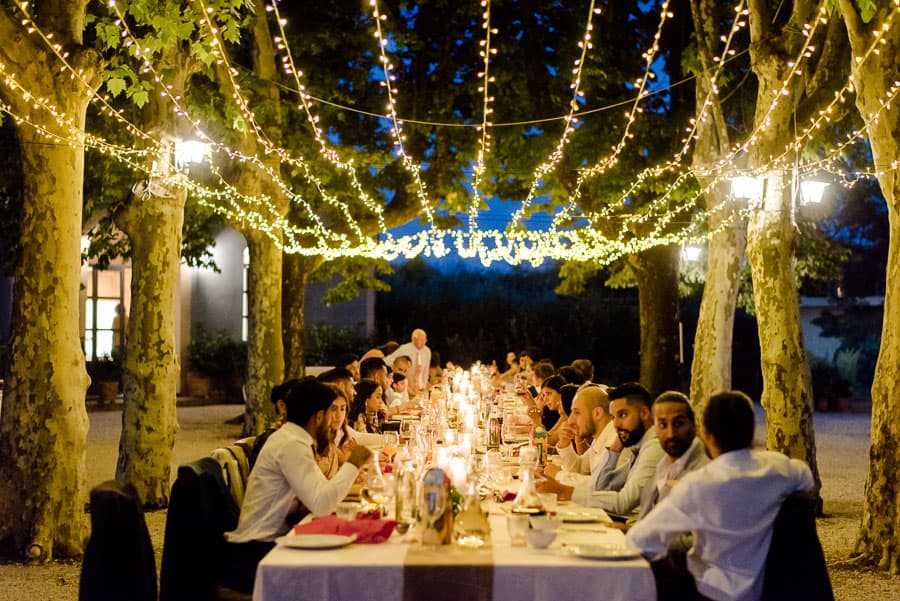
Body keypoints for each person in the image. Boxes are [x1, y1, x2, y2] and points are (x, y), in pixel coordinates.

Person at [627, 391, 814, 601]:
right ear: (752, 431)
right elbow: (806, 479)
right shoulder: (779, 468)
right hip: (766, 589)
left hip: (709, 591)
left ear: (705, 434)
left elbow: (639, 539)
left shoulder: (698, 485)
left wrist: (666, 567)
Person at [224, 377, 372, 593]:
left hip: (272, 541)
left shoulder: (294, 440)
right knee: (350, 569)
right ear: (319, 416)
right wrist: (353, 463)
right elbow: (321, 504)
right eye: (331, 413)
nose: (334, 422)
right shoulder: (291, 445)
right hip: (258, 551)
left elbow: (321, 495)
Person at [538, 381, 663, 518]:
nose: (616, 424)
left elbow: (623, 502)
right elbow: (601, 485)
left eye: (622, 415)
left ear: (644, 413)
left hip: (632, 526)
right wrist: (615, 449)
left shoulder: (654, 448)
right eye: (614, 417)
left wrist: (565, 490)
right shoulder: (637, 446)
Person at [633, 391, 708, 522]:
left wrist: (652, 535)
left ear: (693, 424)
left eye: (678, 424)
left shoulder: (705, 469)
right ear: (654, 427)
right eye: (663, 425)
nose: (671, 434)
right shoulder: (663, 466)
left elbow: (704, 536)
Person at [541, 384, 616, 488]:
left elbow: (602, 485)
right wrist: (565, 445)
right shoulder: (600, 436)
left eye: (577, 412)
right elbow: (580, 468)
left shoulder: (615, 439)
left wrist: (558, 475)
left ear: (597, 413)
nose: (570, 420)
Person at [385, 329, 431, 396]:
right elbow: (387, 361)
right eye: (421, 340)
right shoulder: (404, 349)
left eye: (425, 340)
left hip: (419, 387)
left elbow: (426, 371)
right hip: (405, 385)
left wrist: (424, 386)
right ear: (413, 339)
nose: (423, 342)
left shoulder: (427, 351)